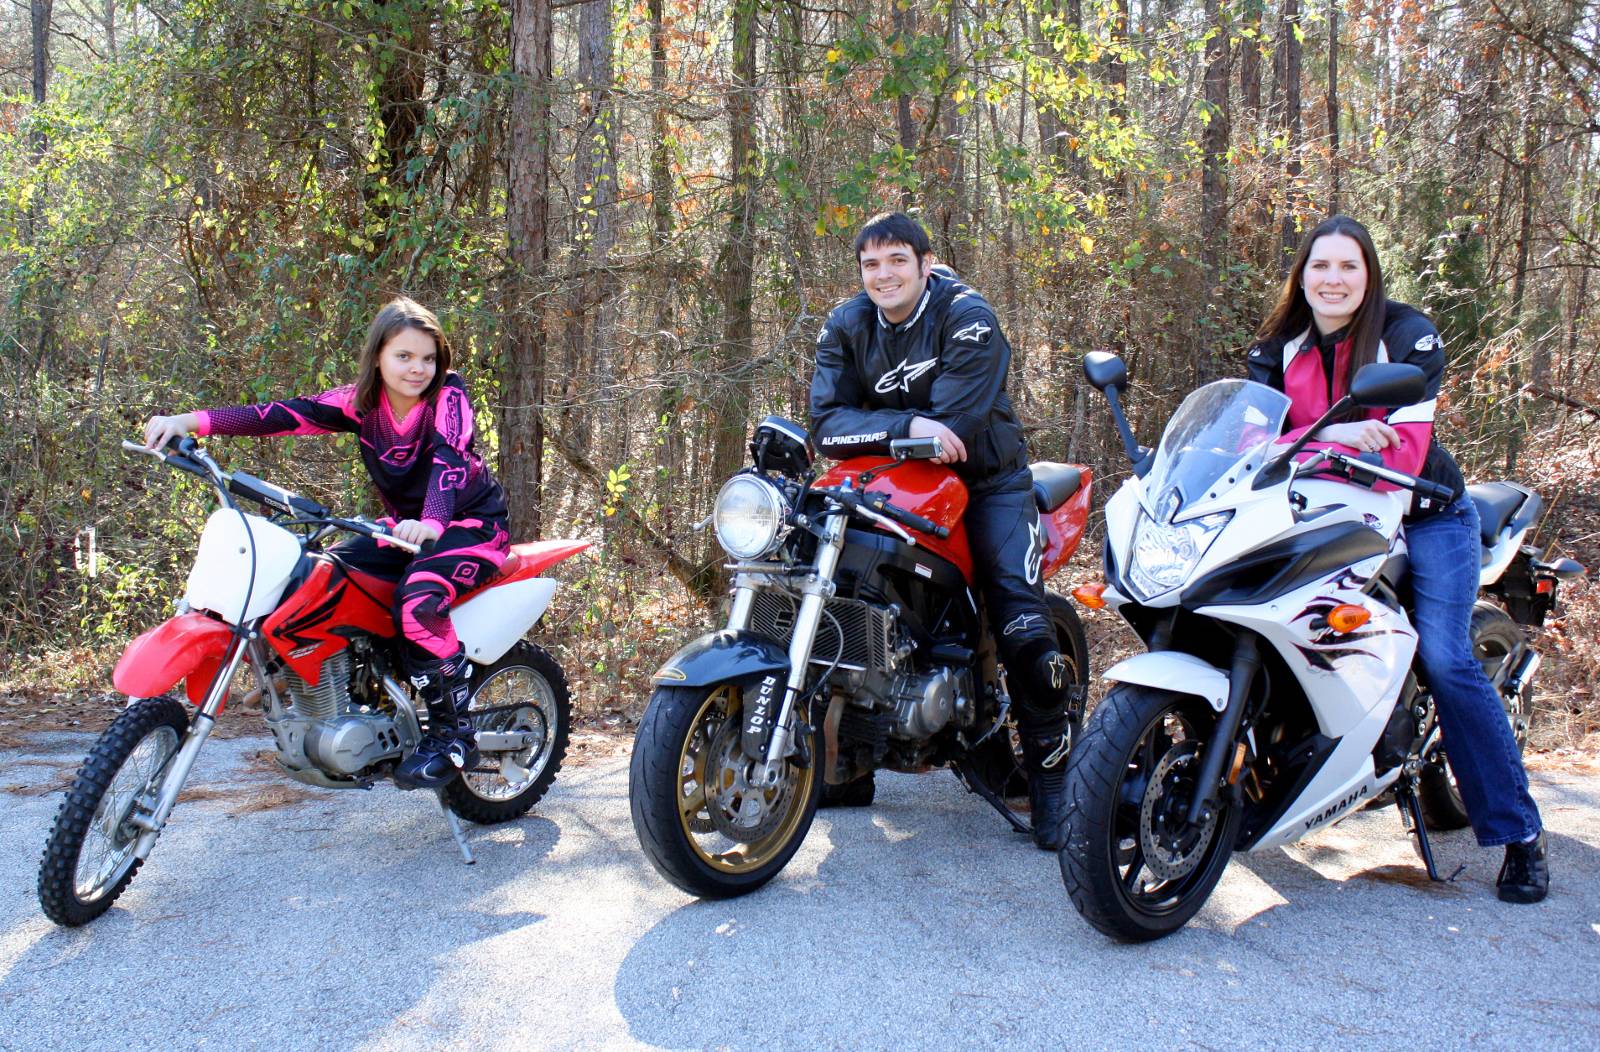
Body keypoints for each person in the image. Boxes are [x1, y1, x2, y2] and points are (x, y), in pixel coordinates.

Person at [1247, 214, 1548, 903]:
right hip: (1323, 515)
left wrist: (1308, 439)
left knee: (1444, 657)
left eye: (1348, 267)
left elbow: (1401, 454)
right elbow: (1249, 438)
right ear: (1302, 274)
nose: (1332, 279)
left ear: (1369, 274)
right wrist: (1337, 435)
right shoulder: (1277, 346)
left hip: (1425, 514)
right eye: (1320, 266)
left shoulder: (1409, 336)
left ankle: (1519, 835)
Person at [142, 296, 510, 791]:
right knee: (319, 577)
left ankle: (453, 736)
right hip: (403, 527)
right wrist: (188, 422)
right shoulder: (360, 404)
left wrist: (432, 521)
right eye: (404, 356)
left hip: (472, 527)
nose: (418, 368)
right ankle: (341, 685)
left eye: (428, 358)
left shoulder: (448, 397)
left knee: (419, 599)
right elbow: (278, 415)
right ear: (378, 356)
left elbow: (449, 460)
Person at [809, 211, 1075, 850]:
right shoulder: (846, 324)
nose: (884, 275)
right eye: (871, 264)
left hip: (988, 483)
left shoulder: (968, 316)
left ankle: (1054, 780)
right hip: (889, 482)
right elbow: (824, 425)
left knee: (1016, 608)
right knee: (835, 591)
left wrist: (887, 428)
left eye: (898, 260)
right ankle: (844, 762)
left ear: (926, 264)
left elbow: (954, 429)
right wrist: (906, 431)